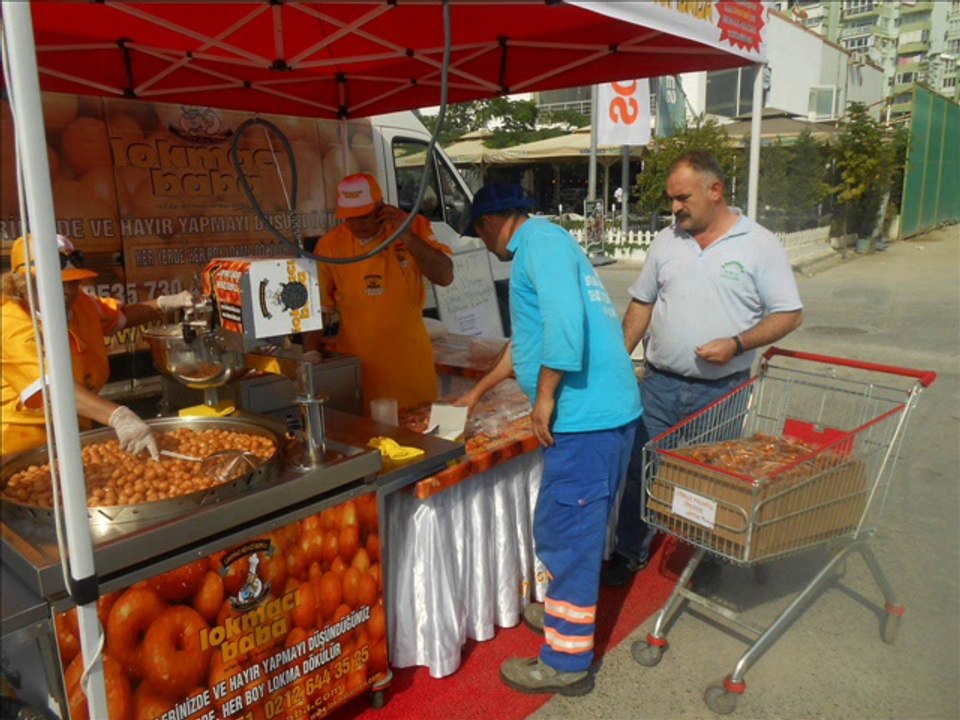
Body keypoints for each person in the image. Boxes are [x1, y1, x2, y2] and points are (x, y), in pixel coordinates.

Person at [456, 182, 642, 696]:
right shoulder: (546, 245)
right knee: (564, 527)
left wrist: (544, 397)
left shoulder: (538, 243)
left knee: (571, 535)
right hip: (599, 416)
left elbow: (565, 324)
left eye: (479, 235)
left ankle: (566, 660)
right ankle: (565, 615)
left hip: (587, 420)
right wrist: (478, 392)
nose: (484, 244)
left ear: (489, 224)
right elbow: (528, 342)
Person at [602, 150, 803, 590]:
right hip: (658, 385)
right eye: (671, 198)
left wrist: (737, 344)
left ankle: (705, 558)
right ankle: (631, 551)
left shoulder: (759, 245)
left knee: (708, 479)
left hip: (720, 391)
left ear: (715, 191)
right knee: (641, 469)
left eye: (682, 198)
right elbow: (642, 304)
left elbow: (789, 314)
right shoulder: (666, 241)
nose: (674, 207)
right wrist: (616, 363)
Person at [1, 234, 194, 459]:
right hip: (21, 445)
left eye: (73, 281)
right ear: (24, 283)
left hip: (74, 433)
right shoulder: (10, 321)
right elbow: (52, 389)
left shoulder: (79, 303)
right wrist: (119, 416)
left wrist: (164, 303)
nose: (70, 289)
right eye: (59, 283)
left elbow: (120, 316)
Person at [303, 173, 453, 413]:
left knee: (417, 429)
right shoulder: (330, 245)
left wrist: (406, 234)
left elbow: (445, 276)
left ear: (381, 208)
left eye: (364, 216)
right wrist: (310, 353)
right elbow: (321, 307)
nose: (357, 225)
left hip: (410, 367)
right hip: (359, 369)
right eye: (350, 218)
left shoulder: (414, 227)